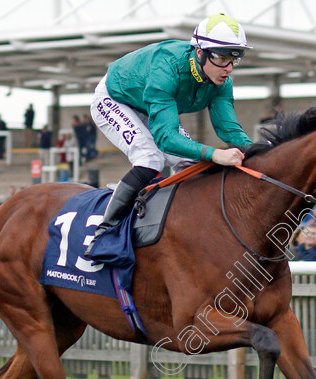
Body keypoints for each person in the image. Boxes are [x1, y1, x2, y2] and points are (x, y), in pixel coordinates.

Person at [84, 13, 253, 257]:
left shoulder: (222, 81)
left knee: (191, 164)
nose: (228, 67)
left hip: (149, 104)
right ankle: (104, 234)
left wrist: (261, 151)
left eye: (234, 59)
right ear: (199, 52)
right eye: (221, 57)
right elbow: (165, 138)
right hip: (115, 99)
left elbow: (229, 130)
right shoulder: (167, 67)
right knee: (150, 159)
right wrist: (215, 154)